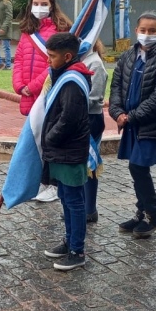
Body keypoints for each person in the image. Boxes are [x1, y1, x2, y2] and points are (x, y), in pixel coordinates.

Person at [109, 12, 156, 238]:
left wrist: (133, 116)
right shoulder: (128, 55)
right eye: (143, 30)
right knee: (135, 167)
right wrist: (118, 112)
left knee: (139, 167)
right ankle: (141, 212)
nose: (146, 34)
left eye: (151, 31)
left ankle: (153, 216)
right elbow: (117, 87)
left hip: (150, 125)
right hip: (130, 124)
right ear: (136, 30)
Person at [40, 32, 93, 271]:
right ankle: (69, 240)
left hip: (69, 150)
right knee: (65, 198)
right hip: (62, 150)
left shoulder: (72, 81)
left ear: (68, 56)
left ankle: (77, 250)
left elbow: (68, 119)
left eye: (52, 56)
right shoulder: (64, 74)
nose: (48, 60)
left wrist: (50, 138)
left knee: (74, 201)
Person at [14, 0, 71, 202]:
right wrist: (19, 85)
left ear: (52, 5)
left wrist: (35, 86)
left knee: (49, 139)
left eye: (43, 3)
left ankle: (53, 184)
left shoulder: (59, 30)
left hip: (47, 92)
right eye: (35, 3)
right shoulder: (27, 30)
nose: (39, 8)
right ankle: (42, 181)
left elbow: (55, 64)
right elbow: (19, 59)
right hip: (29, 92)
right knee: (37, 138)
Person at [81, 41, 108, 224]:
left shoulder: (95, 63)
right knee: (79, 165)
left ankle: (90, 209)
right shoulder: (80, 60)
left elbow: (95, 97)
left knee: (90, 166)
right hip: (79, 117)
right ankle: (80, 205)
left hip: (91, 118)